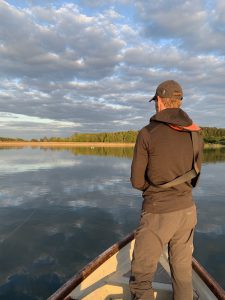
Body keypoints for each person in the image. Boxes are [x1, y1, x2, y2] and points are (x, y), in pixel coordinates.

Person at [129, 80, 203, 300]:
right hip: (188, 211)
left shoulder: (147, 133)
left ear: (160, 101)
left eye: (155, 101)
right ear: (178, 101)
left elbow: (136, 181)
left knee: (141, 277)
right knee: (182, 273)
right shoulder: (195, 133)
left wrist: (154, 189)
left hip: (158, 213)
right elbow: (195, 176)